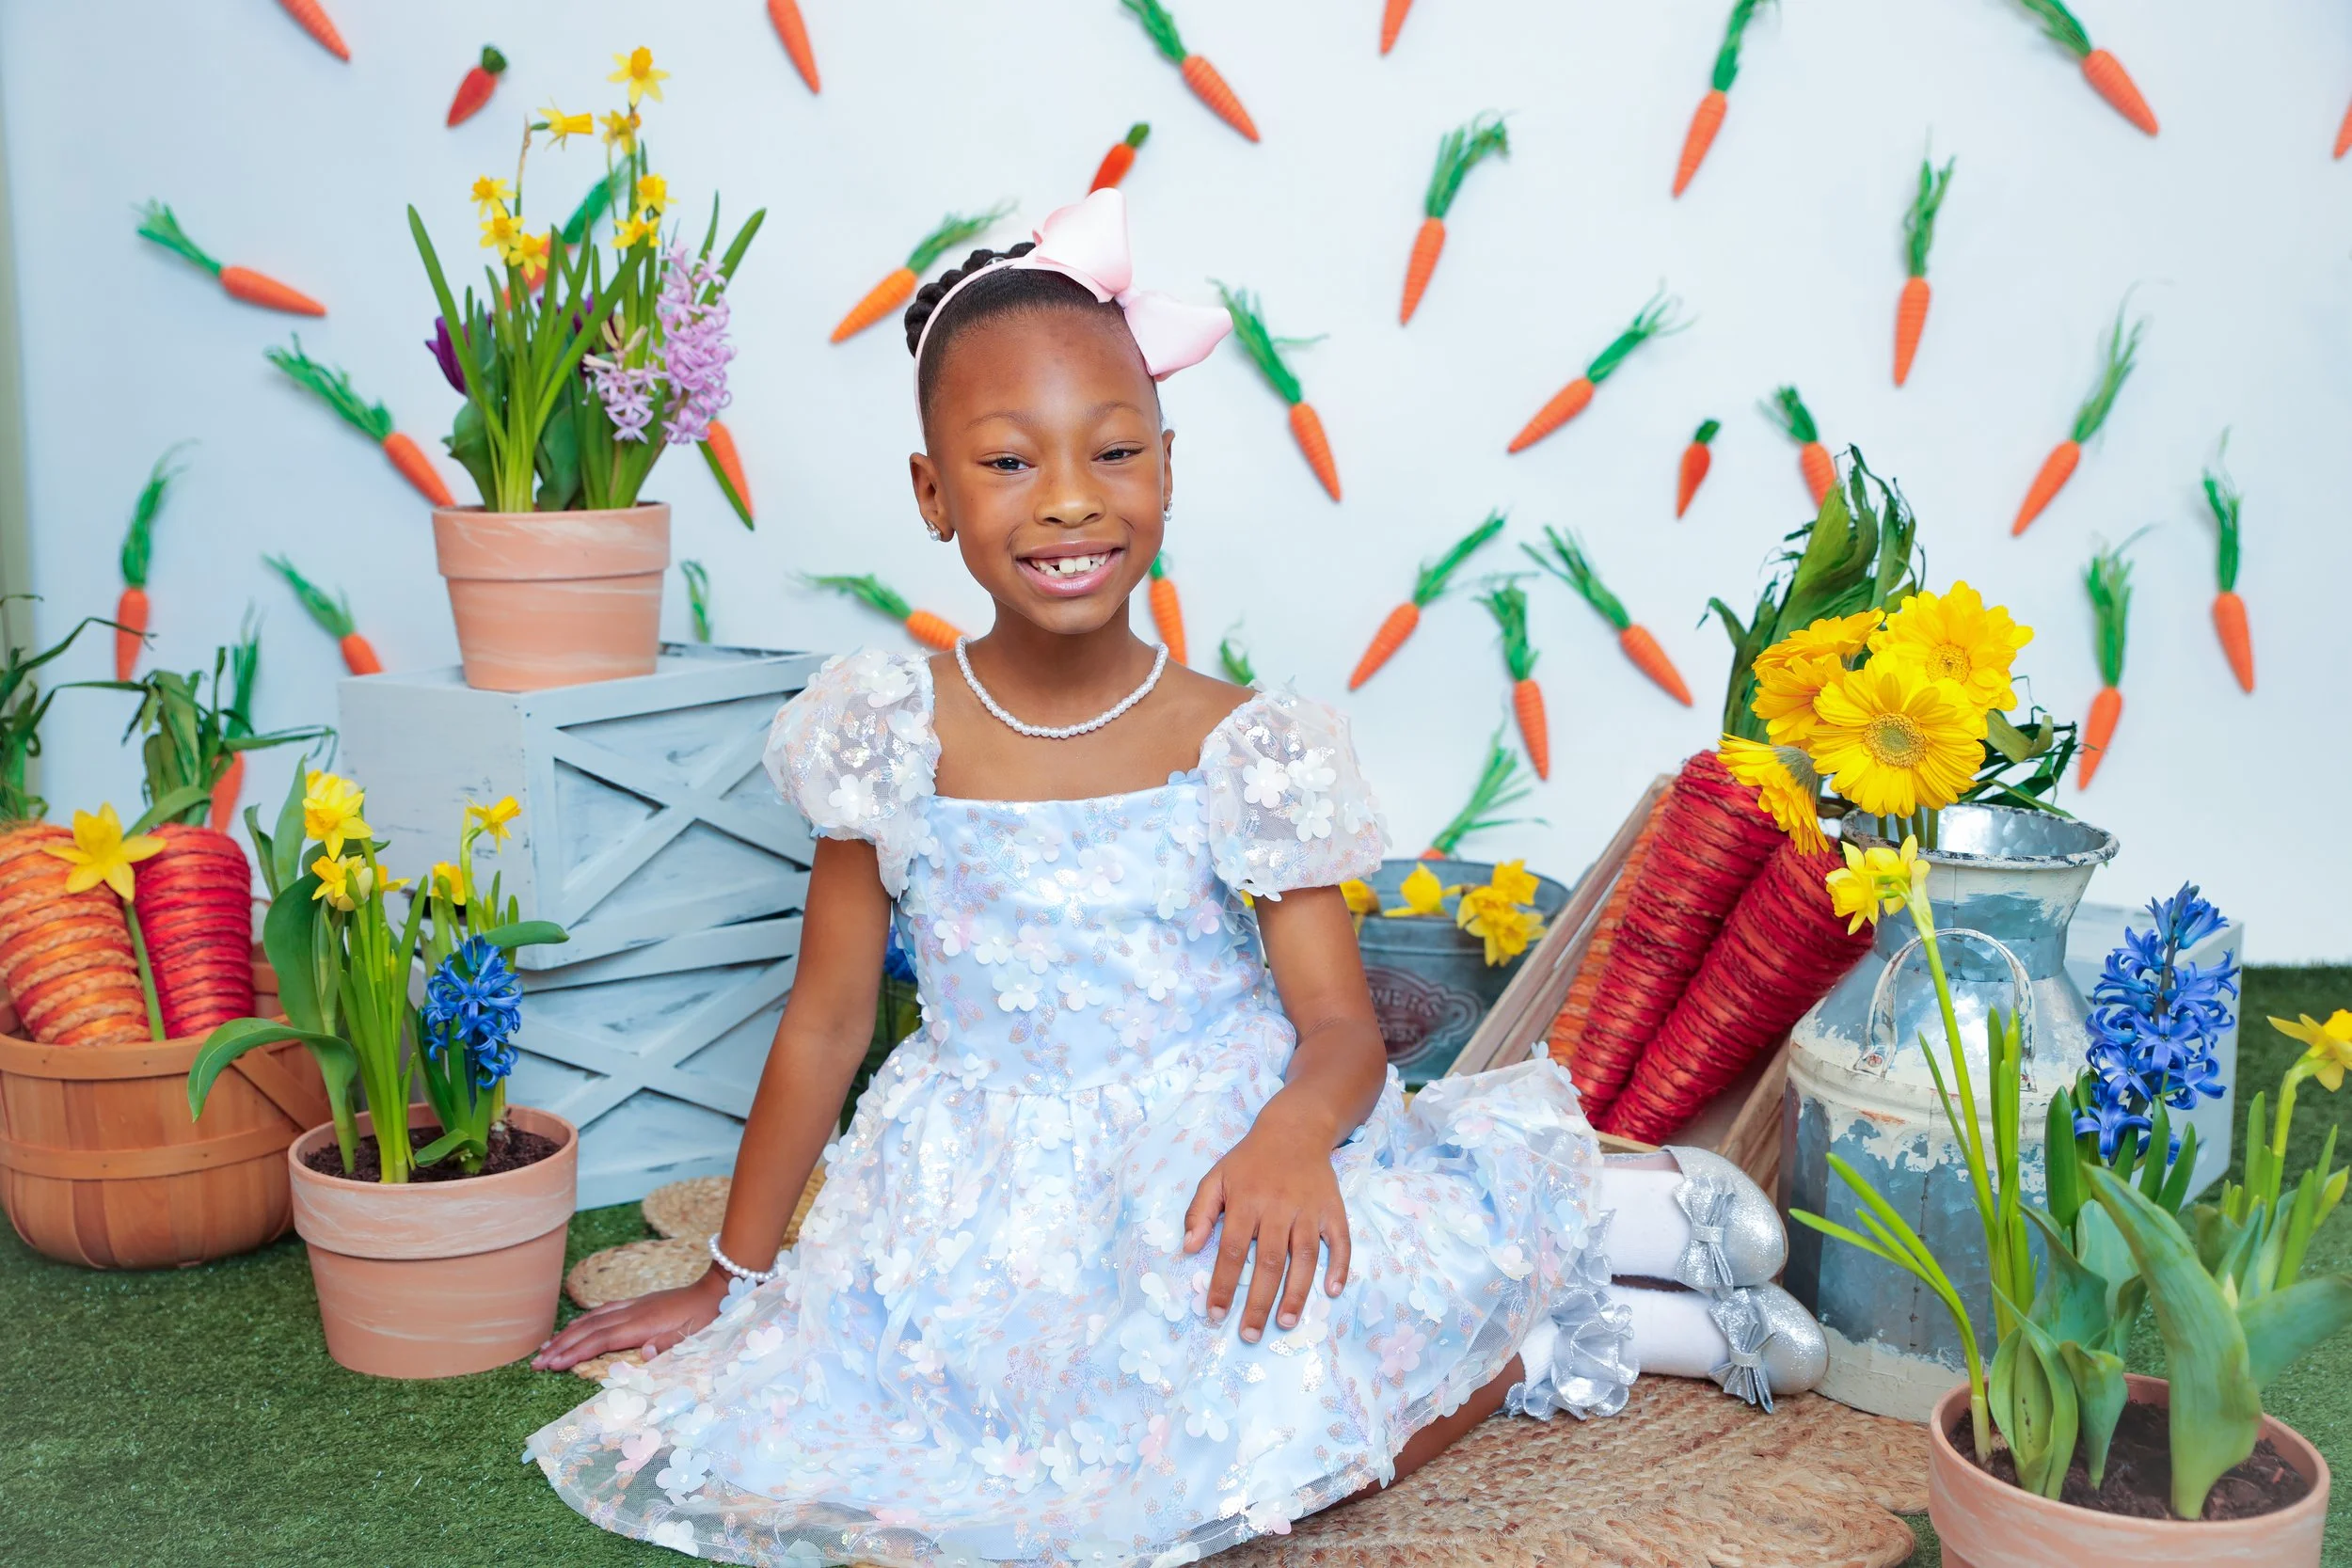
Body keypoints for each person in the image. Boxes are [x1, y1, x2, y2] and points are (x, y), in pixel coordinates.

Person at [527, 189, 1823, 1568]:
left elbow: (1335, 1028)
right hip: (980, 1183)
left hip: (1212, 1137)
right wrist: (734, 1282)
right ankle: (1581, 1308)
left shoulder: (1239, 740)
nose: (1072, 498)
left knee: (1256, 1331)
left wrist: (1287, 1139)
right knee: (1030, 1447)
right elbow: (829, 1019)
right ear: (932, 494)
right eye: (1009, 462)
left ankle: (1570, 1261)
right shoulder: (885, 730)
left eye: (1114, 451)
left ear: (1167, 465)